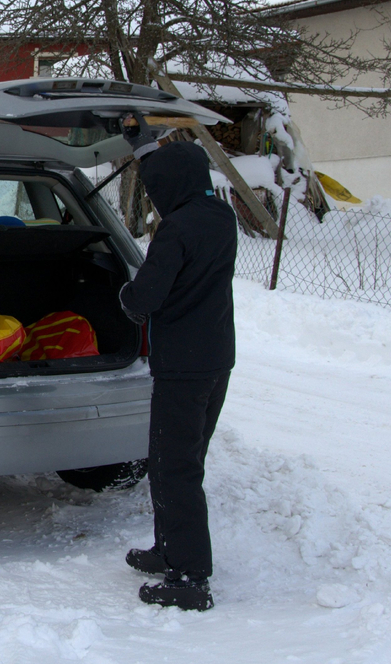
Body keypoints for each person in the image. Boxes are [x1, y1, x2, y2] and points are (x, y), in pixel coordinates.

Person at [117, 115, 238, 611]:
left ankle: (190, 578)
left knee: (174, 469)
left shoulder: (175, 232)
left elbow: (142, 299)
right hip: (215, 361)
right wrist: (143, 145)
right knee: (182, 462)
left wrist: (124, 293)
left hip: (182, 368)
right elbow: (169, 175)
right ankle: (169, 549)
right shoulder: (218, 216)